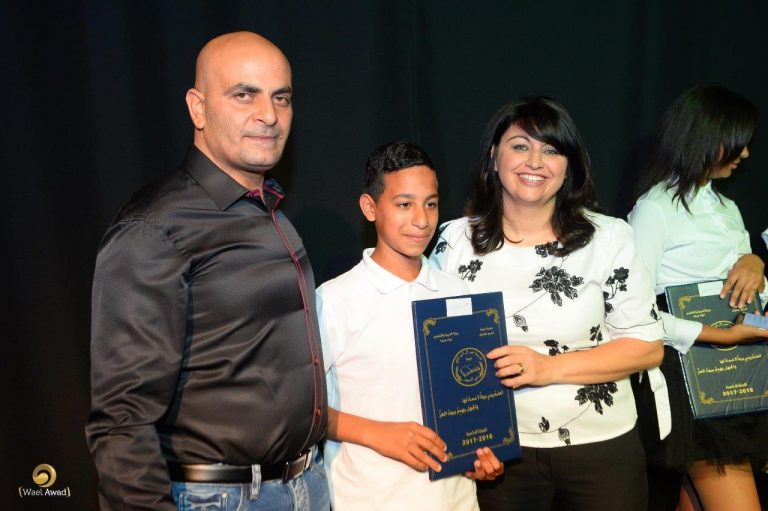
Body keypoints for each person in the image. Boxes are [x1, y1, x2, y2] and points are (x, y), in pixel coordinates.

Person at [85, 32, 329, 510]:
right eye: (244, 95)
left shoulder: (267, 210)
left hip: (307, 486)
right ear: (198, 108)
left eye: (281, 97)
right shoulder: (154, 228)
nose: (269, 114)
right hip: (221, 497)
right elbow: (121, 419)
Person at [430, 97, 664, 511]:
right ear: (494, 156)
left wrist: (548, 368)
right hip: (496, 453)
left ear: (568, 165)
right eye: (520, 145)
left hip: (601, 448)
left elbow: (647, 347)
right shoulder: (454, 241)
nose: (535, 161)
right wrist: (463, 444)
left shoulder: (608, 238)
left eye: (551, 150)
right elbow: (435, 355)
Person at [317, 141, 504, 510]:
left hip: (456, 501)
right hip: (368, 500)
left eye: (430, 204)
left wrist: (483, 454)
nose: (421, 219)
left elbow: (473, 400)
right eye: (404, 204)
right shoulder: (334, 300)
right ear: (370, 207)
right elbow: (301, 412)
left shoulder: (458, 292)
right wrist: (380, 434)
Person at [628, 84, 768, 511]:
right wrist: (718, 335)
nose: (745, 154)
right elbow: (634, 312)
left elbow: (747, 294)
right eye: (737, 142)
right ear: (705, 136)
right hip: (691, 377)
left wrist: (756, 263)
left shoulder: (727, 208)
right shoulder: (656, 208)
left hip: (737, 371)